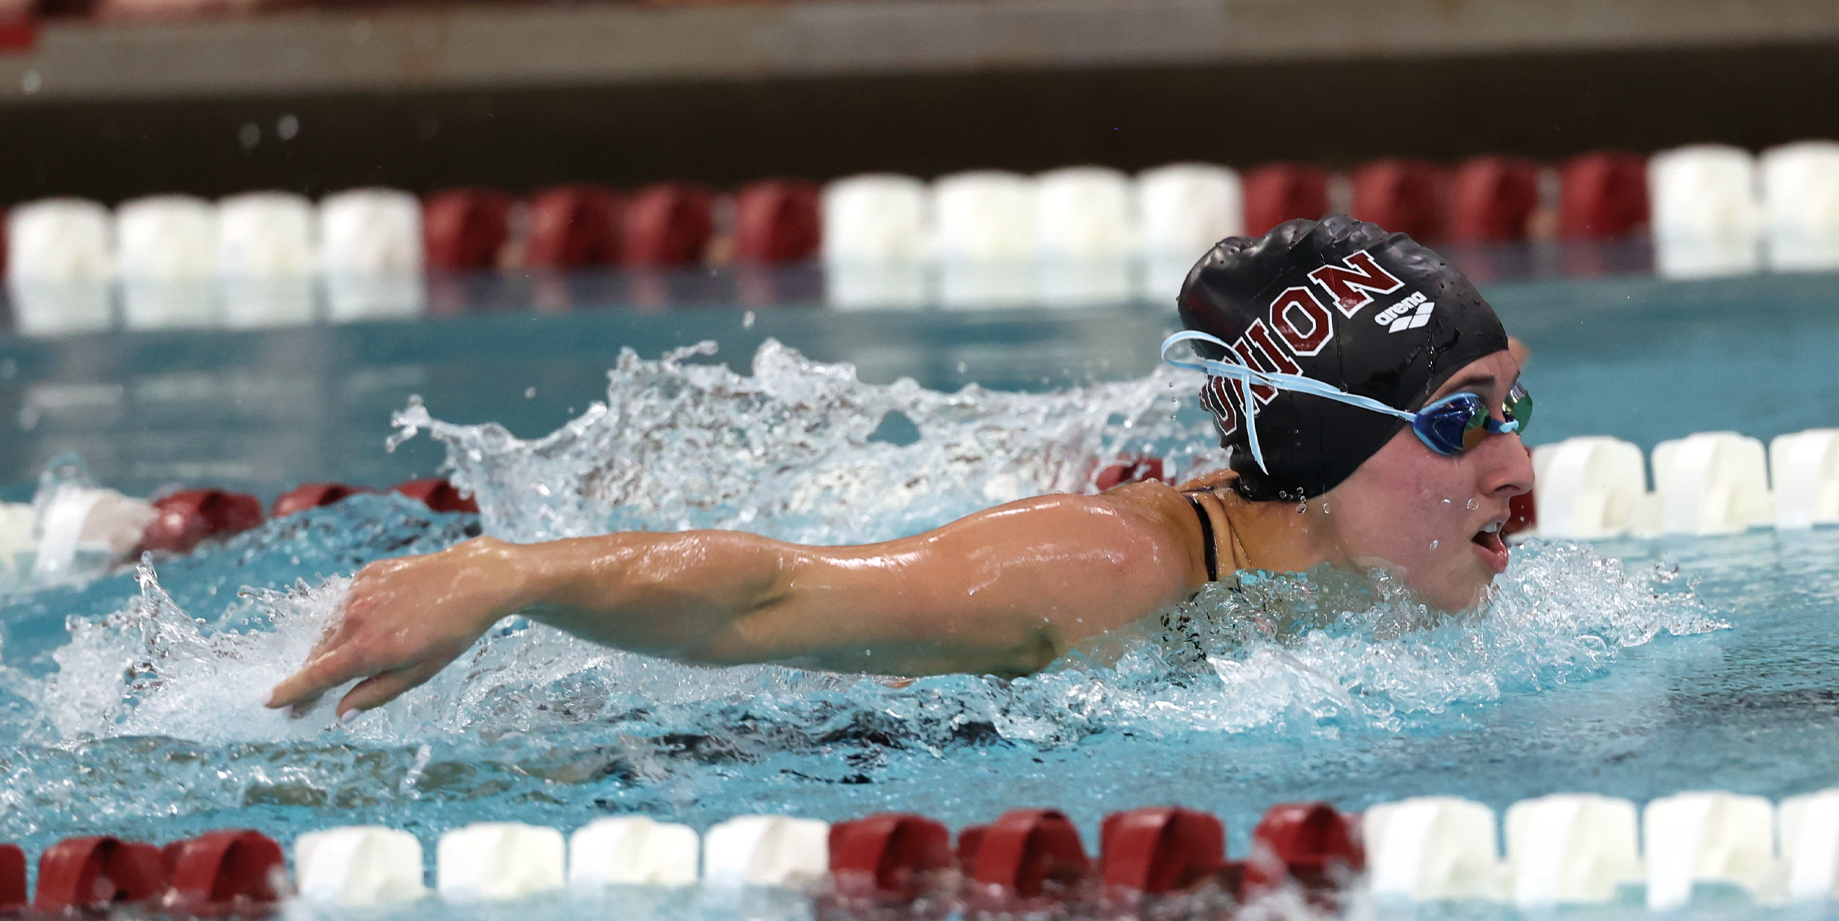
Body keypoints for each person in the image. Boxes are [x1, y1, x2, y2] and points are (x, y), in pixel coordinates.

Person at [268, 215, 1533, 720]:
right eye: (1459, 421)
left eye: (1511, 408)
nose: (1517, 467)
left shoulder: (1377, 575)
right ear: (1319, 453)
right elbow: (775, 596)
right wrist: (505, 577)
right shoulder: (1100, 571)